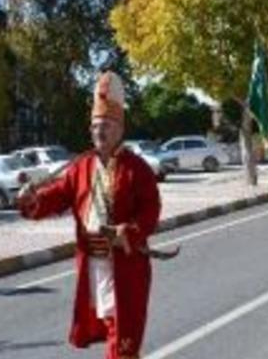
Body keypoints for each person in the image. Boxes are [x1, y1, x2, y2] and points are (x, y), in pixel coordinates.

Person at [18, 71, 162, 359]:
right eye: (96, 126)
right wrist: (32, 201)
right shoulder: (80, 167)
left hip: (126, 268)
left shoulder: (138, 168)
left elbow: (151, 211)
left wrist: (127, 233)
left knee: (123, 341)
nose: (100, 131)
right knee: (112, 332)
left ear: (120, 128)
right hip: (92, 267)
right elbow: (56, 196)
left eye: (106, 125)